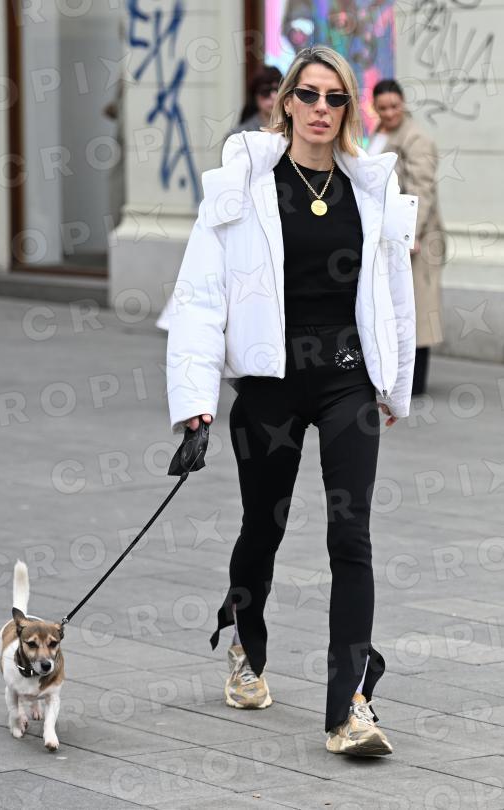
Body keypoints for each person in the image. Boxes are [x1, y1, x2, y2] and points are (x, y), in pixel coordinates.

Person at [156, 45, 419, 757]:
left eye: (335, 98)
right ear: (285, 102)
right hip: (269, 383)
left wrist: (392, 386)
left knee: (351, 536)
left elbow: (394, 293)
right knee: (262, 527)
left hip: (346, 378)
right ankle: (246, 642)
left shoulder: (370, 188)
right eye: (308, 94)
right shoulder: (242, 183)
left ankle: (350, 706)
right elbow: (201, 295)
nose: (321, 110)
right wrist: (194, 400)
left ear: (348, 108)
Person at [368, 79, 446, 396]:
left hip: (416, 238)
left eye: (394, 106)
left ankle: (414, 382)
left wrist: (412, 233)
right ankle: (397, 378)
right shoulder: (380, 133)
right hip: (391, 234)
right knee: (397, 308)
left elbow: (422, 190)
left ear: (403, 103)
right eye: (383, 107)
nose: (389, 112)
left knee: (418, 309)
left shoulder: (415, 138)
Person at [224, 65, 282, 141]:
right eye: (265, 91)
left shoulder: (293, 130)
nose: (274, 96)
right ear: (254, 96)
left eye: (278, 90)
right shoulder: (238, 136)